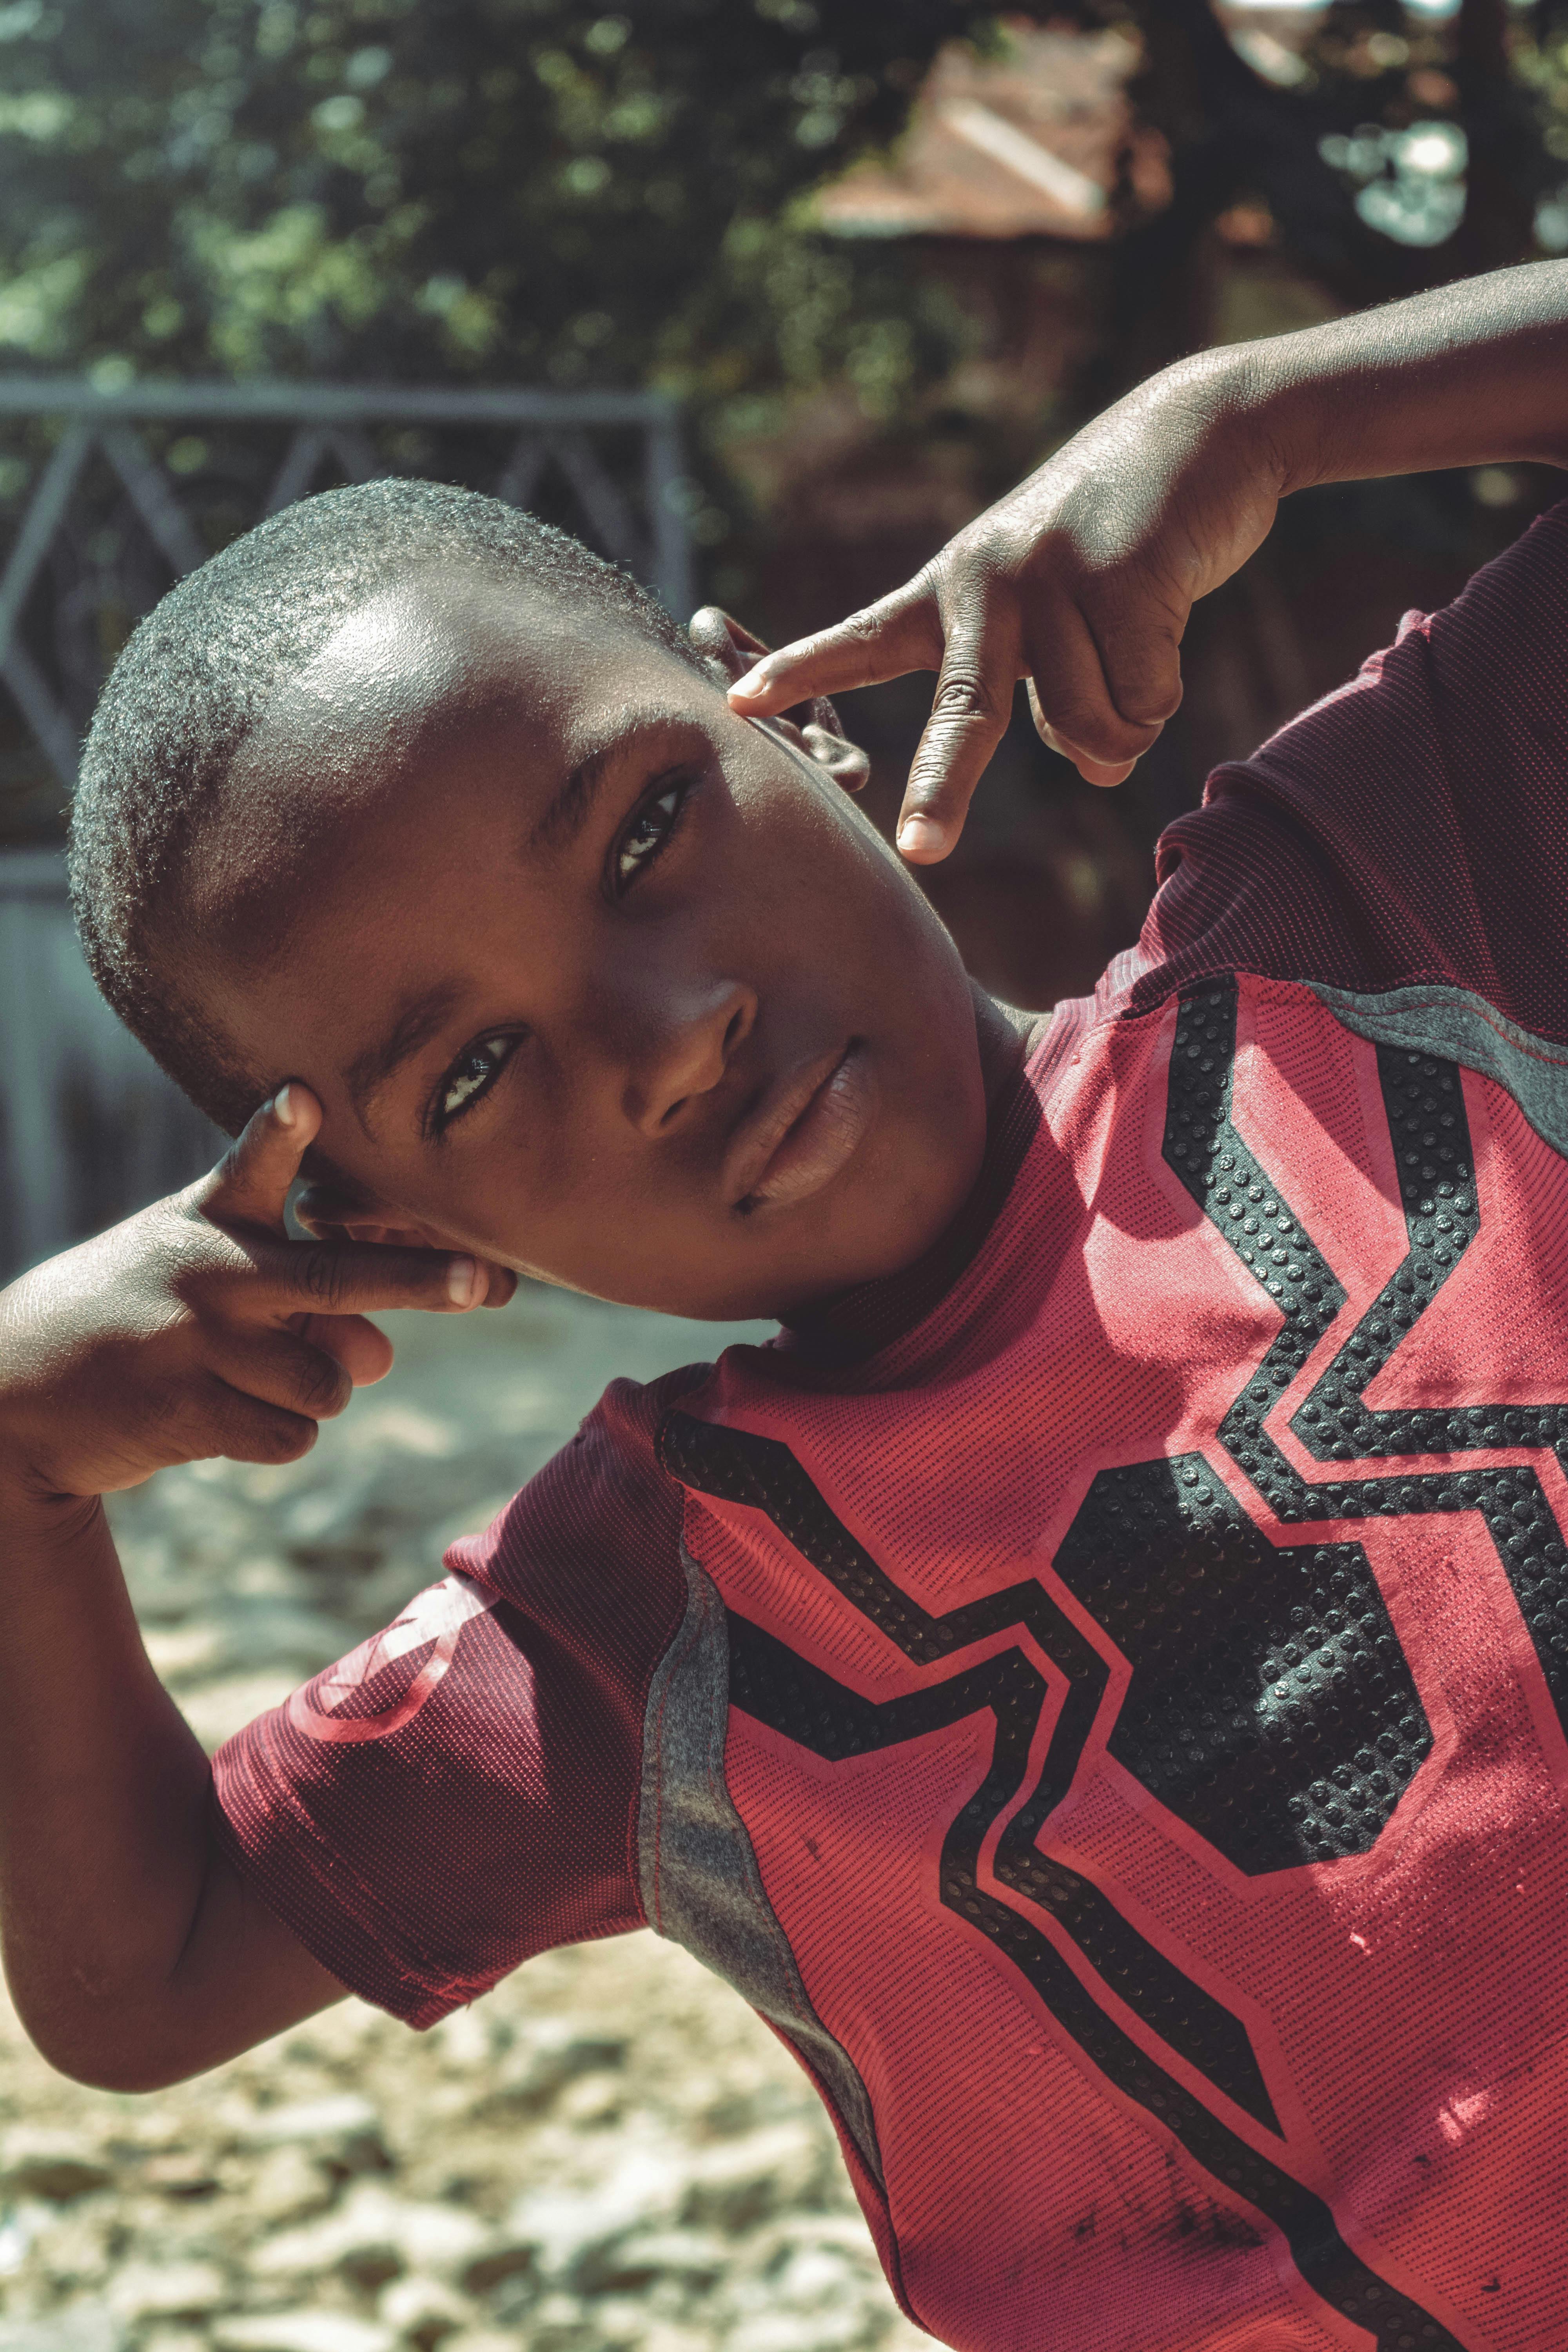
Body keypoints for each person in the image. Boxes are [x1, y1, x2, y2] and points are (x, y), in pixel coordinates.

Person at [2, 260, 1568, 2352]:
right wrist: (12, 1464)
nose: (661, 1040)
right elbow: (145, 1973)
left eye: (646, 824)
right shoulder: (648, 1620)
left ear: (789, 709)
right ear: (367, 1211)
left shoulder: (1377, 906)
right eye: (469, 1074)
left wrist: (1264, 412)